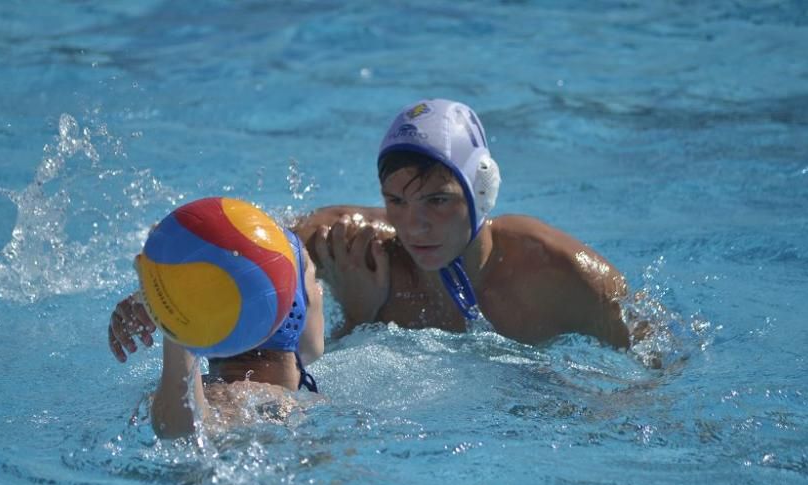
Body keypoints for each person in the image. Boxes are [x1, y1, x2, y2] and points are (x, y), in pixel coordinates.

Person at [294, 98, 635, 349]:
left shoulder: (555, 271)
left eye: (437, 200)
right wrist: (357, 321)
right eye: (396, 201)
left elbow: (663, 364)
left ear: (482, 191)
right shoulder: (352, 250)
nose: (413, 227)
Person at [108, 227, 325, 438]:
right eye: (314, 279)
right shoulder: (262, 399)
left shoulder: (222, 389)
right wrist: (175, 316)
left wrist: (165, 302)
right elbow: (184, 431)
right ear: (295, 307)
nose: (321, 290)